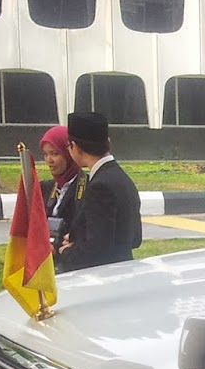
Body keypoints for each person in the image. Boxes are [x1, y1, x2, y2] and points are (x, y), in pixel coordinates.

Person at [59, 110, 142, 271]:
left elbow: (97, 250)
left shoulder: (100, 186)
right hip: (124, 271)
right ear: (108, 142)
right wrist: (78, 237)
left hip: (104, 279)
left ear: (74, 147)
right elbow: (135, 238)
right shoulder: (121, 178)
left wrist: (67, 252)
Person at [39, 123, 83, 242]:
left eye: (54, 153)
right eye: (45, 154)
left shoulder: (88, 186)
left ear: (69, 152)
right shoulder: (44, 188)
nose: (49, 160)